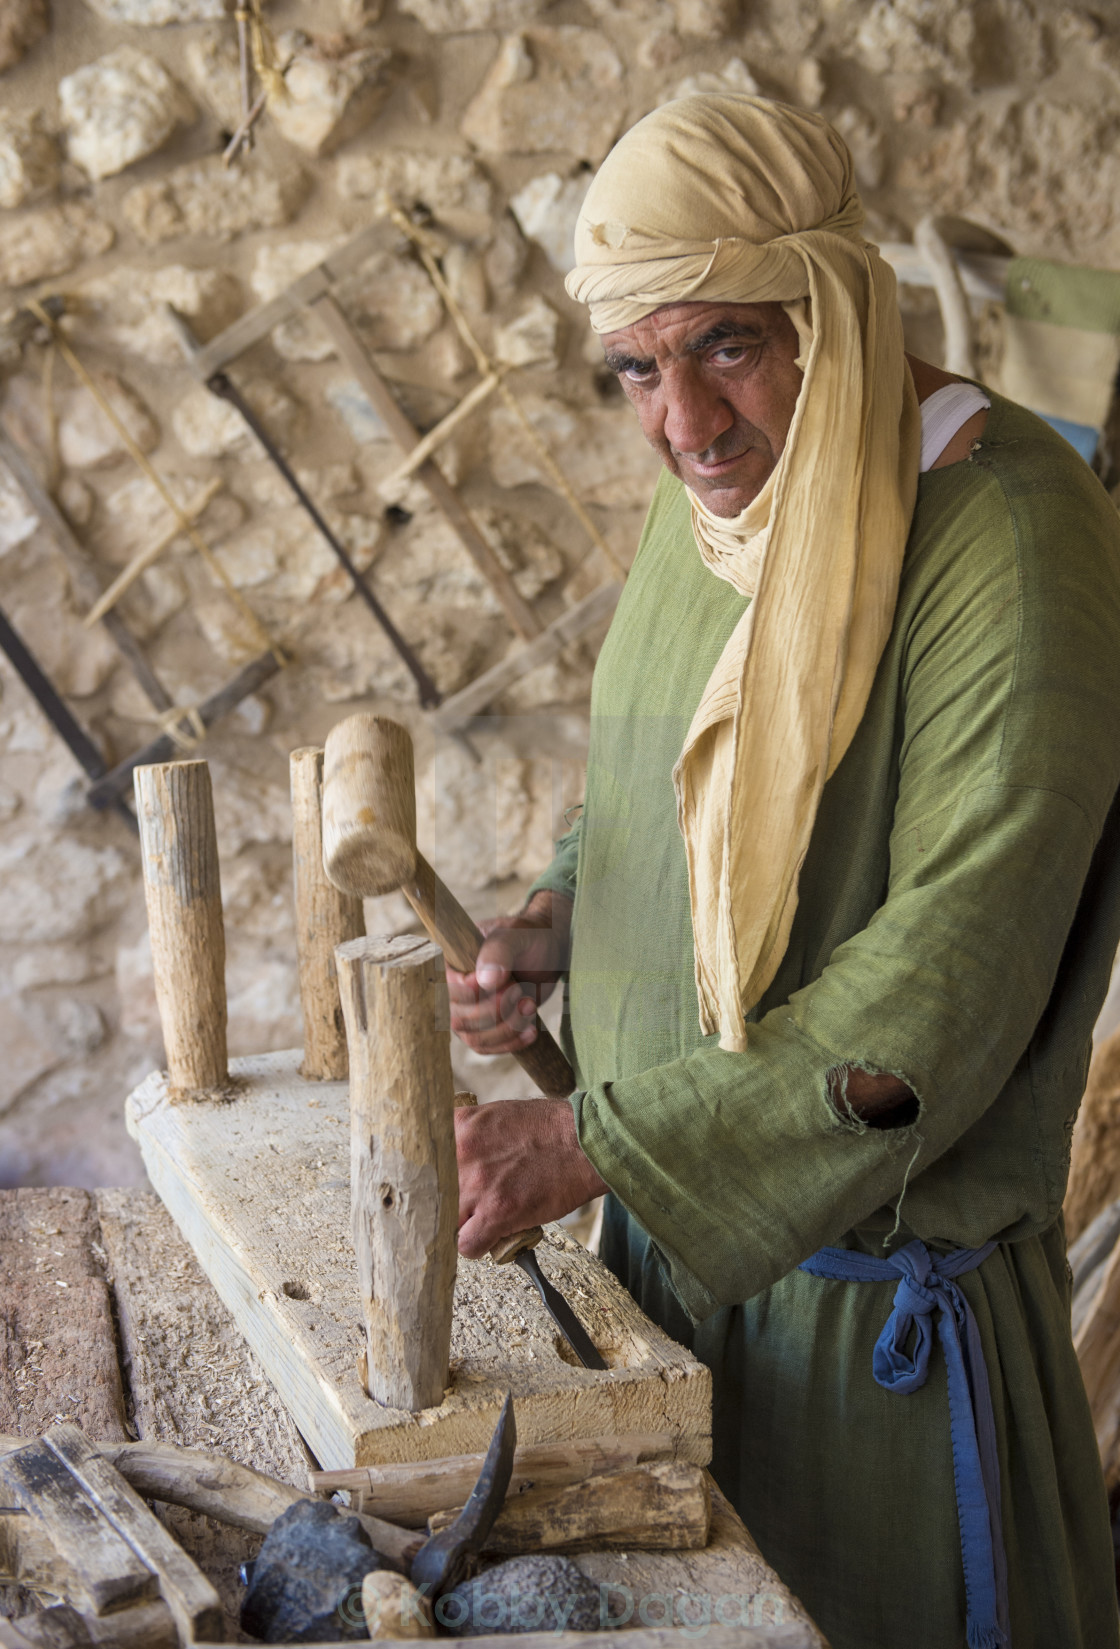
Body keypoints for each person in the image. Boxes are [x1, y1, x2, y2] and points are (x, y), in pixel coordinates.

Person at [449, 94, 1120, 1649]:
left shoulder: (1012, 538)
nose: (682, 422)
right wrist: (565, 921)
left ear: (834, 302)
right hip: (679, 1298)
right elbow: (662, 772)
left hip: (869, 1354)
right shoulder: (733, 498)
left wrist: (590, 1137)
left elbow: (937, 995)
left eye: (728, 345)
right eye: (637, 367)